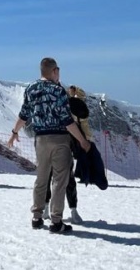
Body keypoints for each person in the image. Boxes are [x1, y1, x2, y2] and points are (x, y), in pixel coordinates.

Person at [8, 58, 91, 234]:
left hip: (40, 140)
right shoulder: (57, 90)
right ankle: (56, 221)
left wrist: (14, 132)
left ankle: (37, 217)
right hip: (60, 139)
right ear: (54, 71)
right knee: (60, 180)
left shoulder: (31, 89)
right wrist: (82, 140)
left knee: (41, 178)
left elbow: (24, 114)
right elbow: (67, 120)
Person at [45, 85, 92, 224]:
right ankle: (73, 210)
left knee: (47, 176)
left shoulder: (47, 104)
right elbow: (82, 118)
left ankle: (46, 209)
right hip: (67, 144)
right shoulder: (71, 103)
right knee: (68, 178)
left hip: (48, 142)